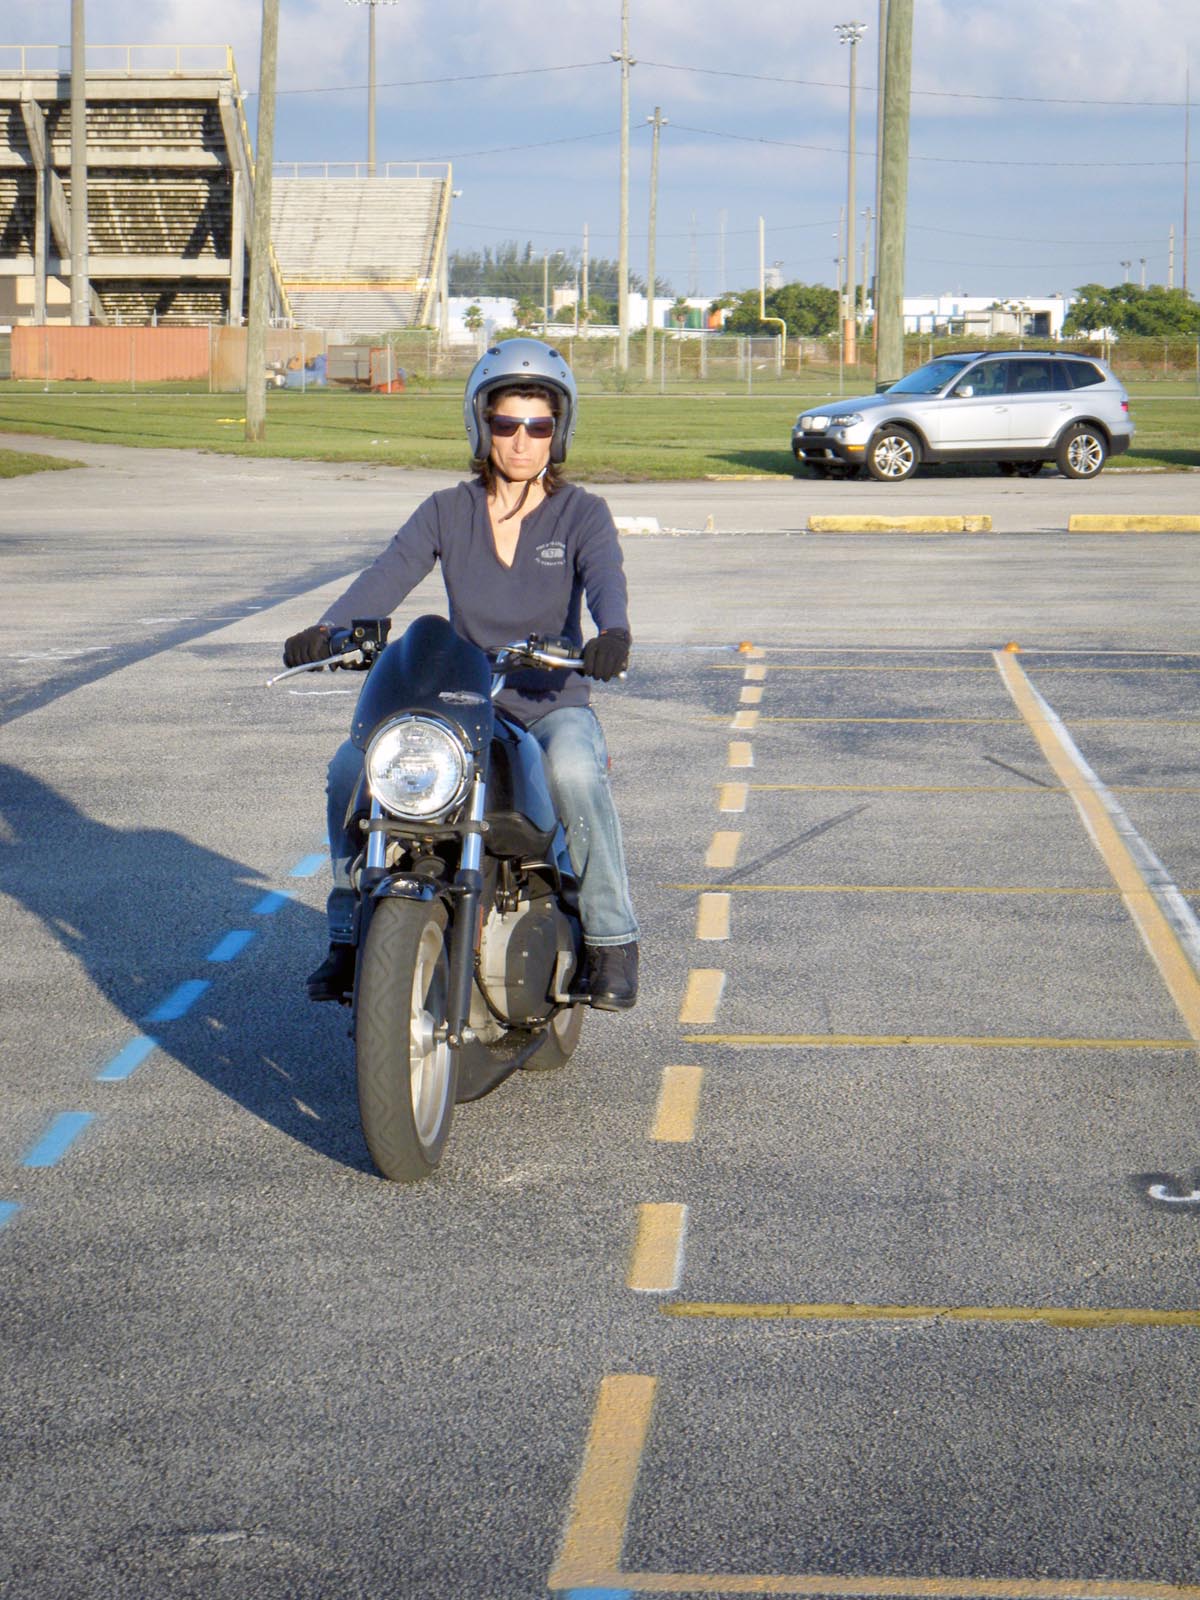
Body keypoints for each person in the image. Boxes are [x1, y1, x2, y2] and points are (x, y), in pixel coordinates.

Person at [282, 338, 639, 1011]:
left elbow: (605, 581)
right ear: (482, 425)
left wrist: (613, 634)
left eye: (539, 426)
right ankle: (348, 930)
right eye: (507, 424)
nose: (522, 441)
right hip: (465, 698)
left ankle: (611, 939)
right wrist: (328, 631)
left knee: (574, 771)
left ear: (559, 431)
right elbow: (387, 573)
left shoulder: (582, 513)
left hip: (550, 700)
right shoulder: (447, 510)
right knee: (350, 769)